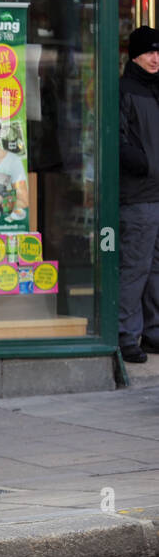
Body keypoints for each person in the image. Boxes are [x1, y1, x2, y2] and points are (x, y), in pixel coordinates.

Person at [119, 25, 159, 364]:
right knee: (135, 266)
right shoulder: (125, 90)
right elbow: (117, 141)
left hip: (156, 193)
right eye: (149, 51)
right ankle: (125, 335)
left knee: (156, 268)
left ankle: (152, 332)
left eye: (158, 52)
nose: (155, 58)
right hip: (139, 195)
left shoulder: (156, 89)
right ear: (135, 54)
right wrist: (145, 164)